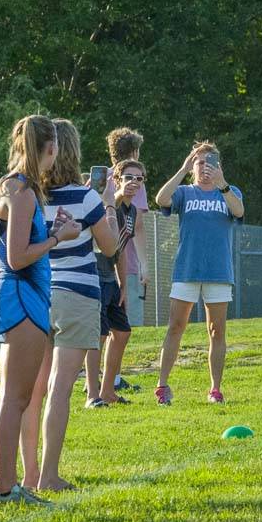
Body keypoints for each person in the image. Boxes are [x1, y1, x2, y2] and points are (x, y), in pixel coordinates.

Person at [19, 119, 120, 492]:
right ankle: (49, 476)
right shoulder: (85, 197)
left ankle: (29, 475)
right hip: (77, 296)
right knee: (61, 389)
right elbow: (110, 248)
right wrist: (107, 205)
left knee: (33, 390)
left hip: (37, 293)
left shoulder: (28, 195)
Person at [0, 116, 80, 505]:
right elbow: (17, 257)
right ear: (49, 148)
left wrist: (50, 231)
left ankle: (8, 486)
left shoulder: (8, 185)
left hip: (15, 295)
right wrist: (59, 237)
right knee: (16, 398)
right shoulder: (23, 190)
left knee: (13, 397)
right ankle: (7, 488)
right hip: (22, 295)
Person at [154, 142, 244, 405]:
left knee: (216, 331)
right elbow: (161, 199)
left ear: (219, 166)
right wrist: (182, 170)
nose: (205, 167)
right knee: (175, 327)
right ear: (193, 166)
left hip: (218, 272)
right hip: (187, 270)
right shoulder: (185, 192)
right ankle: (162, 386)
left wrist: (223, 183)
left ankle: (215, 389)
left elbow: (239, 211)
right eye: (200, 162)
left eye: (211, 162)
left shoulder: (228, 192)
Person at [85, 159, 145, 409]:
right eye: (129, 177)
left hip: (112, 280)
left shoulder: (132, 212)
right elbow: (101, 243)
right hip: (94, 276)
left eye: (139, 178)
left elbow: (120, 249)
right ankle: (92, 394)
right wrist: (111, 197)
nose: (134, 183)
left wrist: (123, 285)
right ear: (116, 179)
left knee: (122, 332)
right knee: (97, 335)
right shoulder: (107, 204)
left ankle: (108, 391)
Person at [104, 127, 150, 386]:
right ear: (133, 152)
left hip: (101, 261)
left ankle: (103, 379)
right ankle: (113, 379)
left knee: (105, 325)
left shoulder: (103, 178)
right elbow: (139, 225)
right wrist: (144, 263)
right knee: (119, 324)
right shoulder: (133, 177)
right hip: (123, 261)